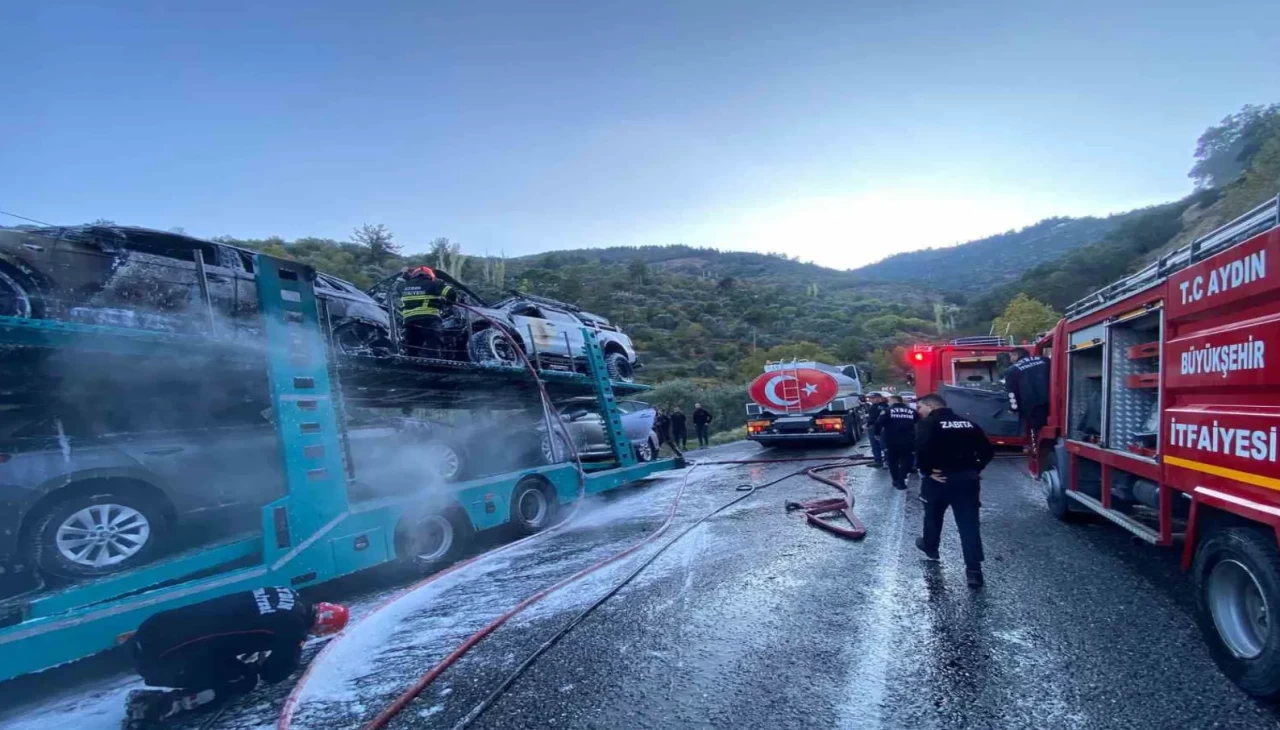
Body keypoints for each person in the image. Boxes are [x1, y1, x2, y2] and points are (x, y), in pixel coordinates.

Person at [122, 587, 349, 728]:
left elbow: (246, 617)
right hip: (161, 658)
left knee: (220, 651)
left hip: (154, 628)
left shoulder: (286, 593)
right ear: (322, 626)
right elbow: (274, 674)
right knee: (243, 678)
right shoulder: (294, 627)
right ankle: (158, 706)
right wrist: (287, 652)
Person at [914, 393, 995, 588]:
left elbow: (920, 449)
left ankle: (931, 548)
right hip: (967, 481)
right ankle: (974, 571)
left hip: (939, 480)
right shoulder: (969, 424)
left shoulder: (928, 424)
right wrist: (975, 469)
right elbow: (988, 451)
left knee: (933, 516)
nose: (919, 411)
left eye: (920, 407)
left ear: (931, 406)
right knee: (969, 524)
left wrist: (927, 471)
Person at [393, 266, 459, 358]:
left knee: (412, 347)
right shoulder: (434, 284)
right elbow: (451, 293)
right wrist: (447, 303)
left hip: (409, 320)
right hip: (429, 319)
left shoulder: (403, 285)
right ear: (430, 276)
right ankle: (436, 361)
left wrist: (403, 275)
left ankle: (411, 361)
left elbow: (394, 290)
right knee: (434, 346)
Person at [1004, 347, 1050, 447]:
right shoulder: (1044, 360)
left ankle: (1038, 448)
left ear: (1016, 355)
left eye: (1011, 357)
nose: (1010, 360)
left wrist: (1013, 408)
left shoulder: (1013, 369)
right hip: (1053, 401)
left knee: (1037, 431)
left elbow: (1012, 393)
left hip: (1032, 406)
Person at [876, 395, 918, 490]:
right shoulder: (912, 411)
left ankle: (895, 480)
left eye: (890, 401)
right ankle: (901, 480)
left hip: (891, 440)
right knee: (907, 461)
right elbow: (918, 423)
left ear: (893, 401)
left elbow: (879, 422)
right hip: (908, 440)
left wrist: (877, 434)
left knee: (892, 461)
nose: (889, 403)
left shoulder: (887, 410)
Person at [864, 393, 888, 468]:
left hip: (877, 427)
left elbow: (873, 419)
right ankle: (882, 461)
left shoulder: (878, 407)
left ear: (879, 398)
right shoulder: (885, 406)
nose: (871, 399)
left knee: (880, 445)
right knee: (880, 445)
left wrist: (868, 425)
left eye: (872, 398)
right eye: (870, 398)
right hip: (880, 427)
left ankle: (881, 461)